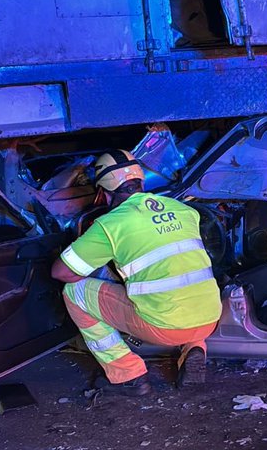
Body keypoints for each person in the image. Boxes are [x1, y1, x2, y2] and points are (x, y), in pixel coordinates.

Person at [50, 150, 222, 395]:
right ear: (140, 181)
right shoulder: (184, 210)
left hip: (164, 327)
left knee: (74, 292)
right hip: (209, 320)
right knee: (180, 282)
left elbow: (62, 272)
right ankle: (194, 348)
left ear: (103, 193)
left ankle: (128, 375)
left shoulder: (111, 224)